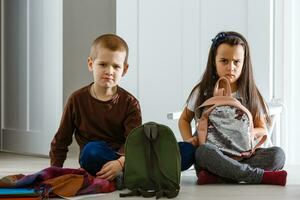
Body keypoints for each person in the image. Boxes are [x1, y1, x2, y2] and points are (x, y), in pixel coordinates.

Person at [178, 31, 287, 186]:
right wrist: (190, 141)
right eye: (224, 61)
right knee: (202, 153)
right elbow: (184, 119)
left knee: (278, 155)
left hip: (242, 155)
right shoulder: (203, 91)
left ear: (244, 63)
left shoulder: (250, 92)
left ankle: (219, 177)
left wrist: (247, 131)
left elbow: (262, 129)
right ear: (214, 62)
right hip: (214, 156)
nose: (231, 67)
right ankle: (258, 176)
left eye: (237, 62)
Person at [49, 34, 142, 188]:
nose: (109, 71)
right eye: (103, 64)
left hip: (122, 159)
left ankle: (121, 174)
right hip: (92, 157)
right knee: (91, 150)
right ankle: (123, 177)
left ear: (124, 69)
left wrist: (120, 163)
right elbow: (61, 139)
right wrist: (55, 171)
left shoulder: (130, 103)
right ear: (91, 64)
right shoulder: (77, 99)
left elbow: (134, 142)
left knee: (146, 152)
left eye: (116, 66)